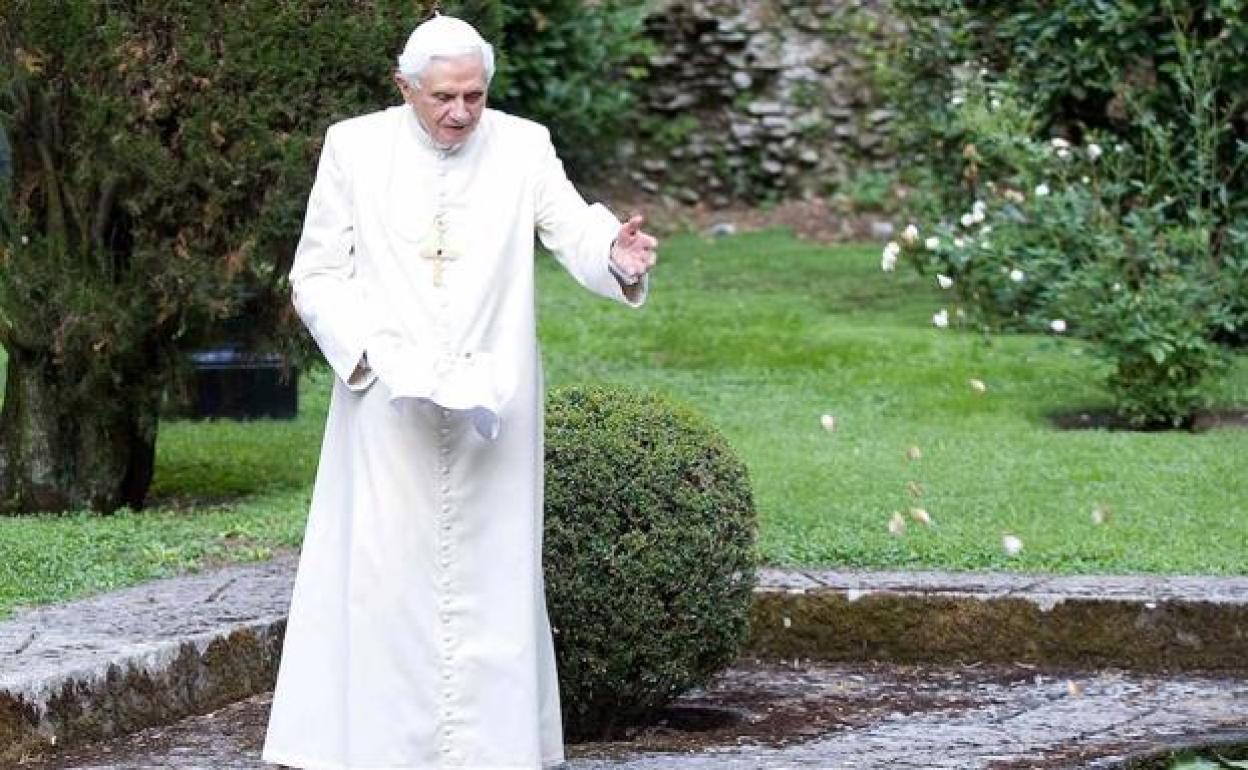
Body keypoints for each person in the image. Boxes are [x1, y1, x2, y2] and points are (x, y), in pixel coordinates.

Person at [261, 13, 657, 770]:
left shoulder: (523, 144)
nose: (460, 114)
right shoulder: (354, 145)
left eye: (475, 96)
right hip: (386, 400)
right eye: (443, 97)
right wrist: (372, 360)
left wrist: (616, 253)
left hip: (492, 402)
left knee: (492, 572)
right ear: (404, 86)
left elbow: (572, 228)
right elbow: (315, 274)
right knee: (384, 578)